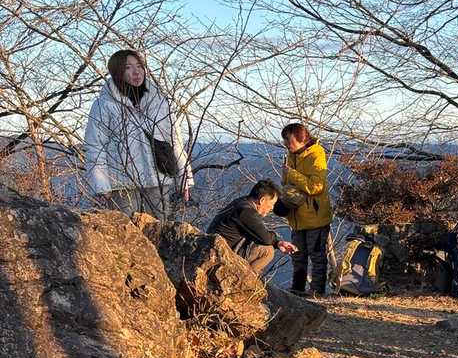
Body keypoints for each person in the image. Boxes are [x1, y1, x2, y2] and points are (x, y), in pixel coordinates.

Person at [84, 50, 193, 219]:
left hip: (159, 179)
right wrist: (101, 185)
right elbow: (95, 146)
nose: (136, 72)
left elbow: (174, 141)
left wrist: (184, 179)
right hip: (122, 184)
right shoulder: (104, 105)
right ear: (117, 72)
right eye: (128, 67)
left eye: (139, 66)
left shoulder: (159, 102)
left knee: (160, 228)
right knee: (125, 229)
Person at [280, 123, 332, 296]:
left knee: (317, 256)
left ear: (301, 138)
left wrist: (291, 173)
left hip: (315, 216)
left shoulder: (316, 154)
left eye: (289, 140)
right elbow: (286, 182)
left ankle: (317, 293)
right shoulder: (291, 154)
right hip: (296, 215)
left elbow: (316, 186)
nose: (286, 144)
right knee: (297, 256)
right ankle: (297, 291)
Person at [207, 180, 298, 275]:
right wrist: (275, 241)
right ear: (262, 200)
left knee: (262, 245)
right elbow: (265, 238)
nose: (272, 208)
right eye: (272, 204)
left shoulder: (241, 203)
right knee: (267, 251)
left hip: (215, 247)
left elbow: (259, 233)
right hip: (220, 254)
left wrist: (277, 243)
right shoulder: (246, 211)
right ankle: (244, 279)